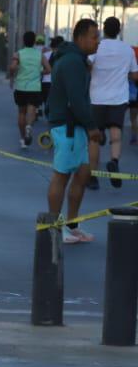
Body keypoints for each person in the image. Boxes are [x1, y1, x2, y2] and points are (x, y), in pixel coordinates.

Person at [47, 19, 103, 244]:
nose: (97, 41)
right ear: (80, 37)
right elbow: (76, 99)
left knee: (82, 175)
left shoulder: (78, 60)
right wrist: (92, 127)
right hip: (67, 126)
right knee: (62, 175)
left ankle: (72, 224)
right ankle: (54, 226)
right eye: (93, 36)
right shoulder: (71, 62)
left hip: (76, 126)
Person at [85, 17, 137, 190]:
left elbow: (87, 65)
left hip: (97, 98)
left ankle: (93, 177)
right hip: (118, 98)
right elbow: (135, 75)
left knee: (94, 138)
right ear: (119, 30)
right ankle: (114, 161)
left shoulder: (96, 47)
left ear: (103, 30)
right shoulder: (127, 49)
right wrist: (123, 74)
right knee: (116, 135)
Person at [9, 31, 49, 149]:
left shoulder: (18, 54)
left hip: (21, 87)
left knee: (22, 112)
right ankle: (29, 127)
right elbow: (49, 69)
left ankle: (22, 139)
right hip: (35, 88)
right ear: (34, 42)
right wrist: (40, 72)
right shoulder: (39, 55)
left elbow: (12, 67)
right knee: (32, 109)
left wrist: (13, 73)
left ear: (23, 41)